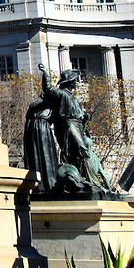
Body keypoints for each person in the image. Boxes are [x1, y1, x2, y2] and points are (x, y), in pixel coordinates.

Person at [31, 65, 116, 197]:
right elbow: (47, 89)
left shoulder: (72, 97)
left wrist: (84, 117)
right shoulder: (61, 94)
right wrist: (46, 73)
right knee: (82, 152)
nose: (77, 82)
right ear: (70, 82)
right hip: (69, 126)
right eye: (75, 80)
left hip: (78, 125)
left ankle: (87, 181)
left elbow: (78, 113)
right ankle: (93, 183)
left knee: (81, 153)